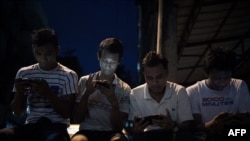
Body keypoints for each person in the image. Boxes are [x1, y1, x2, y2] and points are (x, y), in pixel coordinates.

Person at [0, 28, 79, 141]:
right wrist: (19, 93)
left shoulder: (68, 75)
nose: (43, 58)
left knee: (56, 139)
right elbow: (17, 112)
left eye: (48, 54)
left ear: (57, 50)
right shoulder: (24, 73)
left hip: (56, 127)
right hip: (31, 126)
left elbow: (66, 113)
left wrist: (48, 93)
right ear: (33, 49)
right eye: (38, 53)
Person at [71, 38, 131, 141]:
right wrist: (86, 94)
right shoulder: (85, 81)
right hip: (86, 131)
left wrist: (113, 102)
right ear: (98, 56)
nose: (108, 65)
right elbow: (77, 119)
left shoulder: (124, 88)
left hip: (112, 133)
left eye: (113, 62)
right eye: (104, 60)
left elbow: (118, 127)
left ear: (119, 61)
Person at [186, 46, 250, 141]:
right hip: (207, 136)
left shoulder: (239, 86)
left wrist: (232, 123)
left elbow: (246, 120)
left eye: (227, 77)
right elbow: (195, 127)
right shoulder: (193, 91)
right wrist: (212, 124)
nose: (222, 82)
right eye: (217, 78)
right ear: (207, 74)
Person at [128, 51, 194, 141]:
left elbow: (188, 124)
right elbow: (131, 126)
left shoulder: (179, 91)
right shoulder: (135, 94)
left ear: (166, 73)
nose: (155, 83)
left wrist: (172, 126)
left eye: (159, 77)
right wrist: (135, 129)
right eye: (150, 78)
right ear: (144, 76)